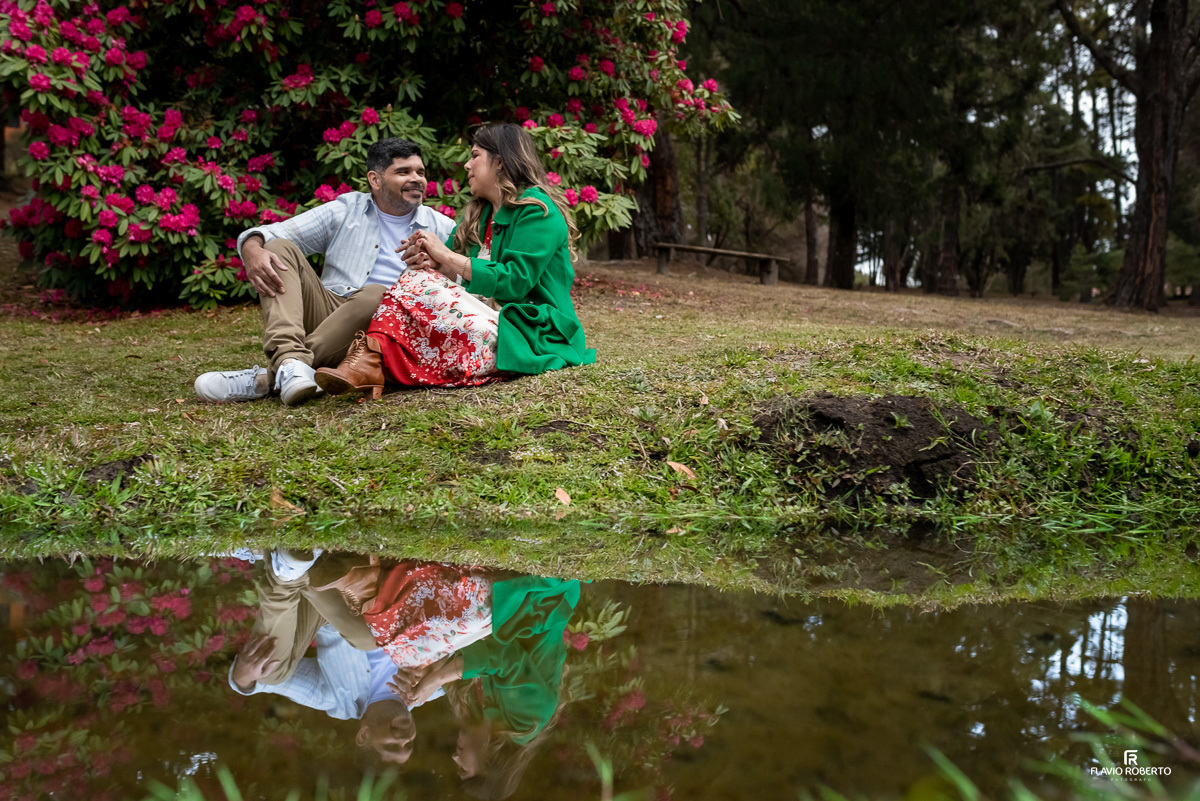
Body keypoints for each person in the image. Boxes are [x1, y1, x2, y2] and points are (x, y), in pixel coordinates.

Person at [313, 123, 596, 399]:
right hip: (481, 323)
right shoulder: (477, 214)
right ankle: (368, 362)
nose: (467, 165)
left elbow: (514, 282)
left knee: (416, 285)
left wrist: (445, 255)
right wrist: (431, 261)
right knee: (417, 276)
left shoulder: (537, 210)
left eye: (475, 156)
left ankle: (363, 362)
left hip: (527, 332)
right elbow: (451, 277)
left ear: (500, 162)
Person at [194, 138, 456, 405]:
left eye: (420, 172)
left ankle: (274, 375)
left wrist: (438, 267)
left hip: (386, 333)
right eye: (404, 172)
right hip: (331, 312)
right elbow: (276, 233)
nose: (417, 179)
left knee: (380, 295)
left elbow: (464, 294)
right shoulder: (346, 210)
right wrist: (251, 249)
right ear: (375, 180)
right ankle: (290, 362)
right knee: (278, 247)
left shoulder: (443, 228)